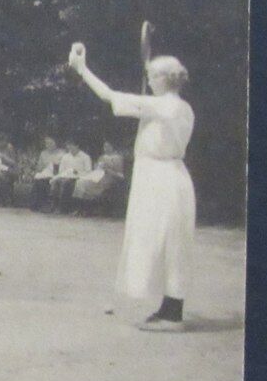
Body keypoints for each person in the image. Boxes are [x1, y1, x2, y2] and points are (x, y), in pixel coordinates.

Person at [69, 44, 195, 332]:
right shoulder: (180, 106)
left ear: (165, 79)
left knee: (163, 240)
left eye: (153, 76)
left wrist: (82, 69)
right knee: (167, 242)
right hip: (166, 176)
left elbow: (109, 95)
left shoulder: (164, 105)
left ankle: (173, 315)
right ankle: (169, 307)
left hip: (161, 179)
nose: (149, 80)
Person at [73, 140, 126, 211]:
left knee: (87, 184)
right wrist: (97, 167)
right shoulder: (102, 157)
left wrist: (107, 170)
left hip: (109, 178)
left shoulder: (117, 158)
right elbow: (97, 169)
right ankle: (81, 207)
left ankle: (87, 208)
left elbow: (119, 174)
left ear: (113, 147)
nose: (106, 148)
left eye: (108, 146)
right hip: (98, 176)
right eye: (104, 146)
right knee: (80, 181)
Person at [50, 139, 92, 212]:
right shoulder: (65, 157)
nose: (69, 147)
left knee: (67, 183)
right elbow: (61, 171)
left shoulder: (85, 157)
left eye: (71, 145)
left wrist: (77, 173)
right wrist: (64, 175)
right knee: (56, 182)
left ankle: (63, 208)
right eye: (68, 146)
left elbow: (88, 172)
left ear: (77, 146)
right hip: (65, 176)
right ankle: (54, 206)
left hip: (78, 178)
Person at [28, 137, 63, 212]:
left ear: (56, 143)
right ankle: (36, 204)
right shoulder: (43, 153)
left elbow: (62, 166)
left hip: (56, 173)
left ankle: (45, 204)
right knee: (39, 181)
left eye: (51, 143)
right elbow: (40, 167)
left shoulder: (61, 153)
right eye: (47, 143)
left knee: (44, 182)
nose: (48, 145)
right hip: (45, 173)